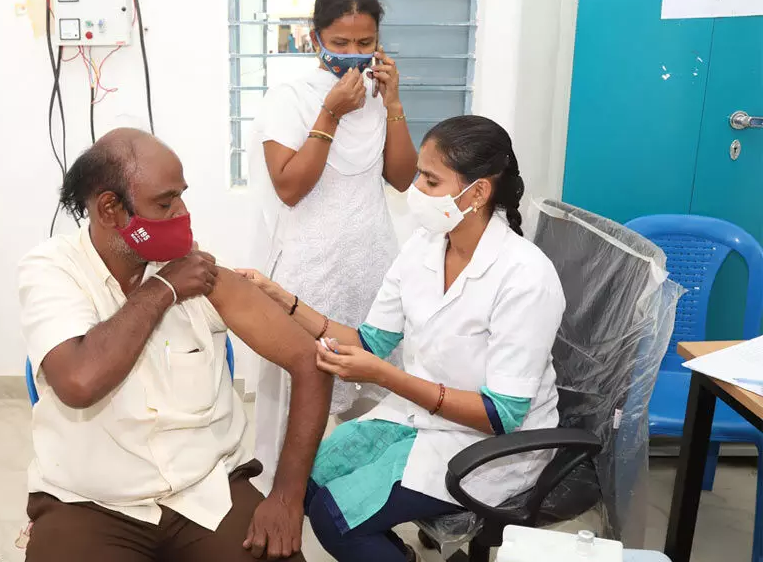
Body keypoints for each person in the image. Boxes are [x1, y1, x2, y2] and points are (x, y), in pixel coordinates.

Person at [239, 116, 566, 562]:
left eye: (430, 180)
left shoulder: (525, 276)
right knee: (312, 484)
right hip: (424, 418)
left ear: (478, 193)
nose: (415, 189)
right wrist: (284, 299)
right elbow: (370, 341)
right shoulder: (425, 246)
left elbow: (501, 414)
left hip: (490, 445)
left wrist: (387, 378)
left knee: (337, 522)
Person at [17, 128, 332, 562]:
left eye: (181, 196)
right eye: (165, 203)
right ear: (111, 209)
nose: (182, 213)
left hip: (207, 490)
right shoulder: (52, 270)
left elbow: (308, 361)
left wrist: (287, 497)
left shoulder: (201, 273)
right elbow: (79, 380)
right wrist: (162, 289)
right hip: (91, 503)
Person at [249, 0, 418, 493]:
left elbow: (403, 177)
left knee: (381, 395)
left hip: (372, 267)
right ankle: (278, 499)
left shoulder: (374, 94)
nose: (353, 55)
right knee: (300, 398)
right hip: (308, 272)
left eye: (365, 44)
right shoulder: (289, 97)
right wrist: (329, 112)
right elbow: (291, 187)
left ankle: (368, 496)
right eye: (340, 44)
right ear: (315, 36)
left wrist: (391, 102)